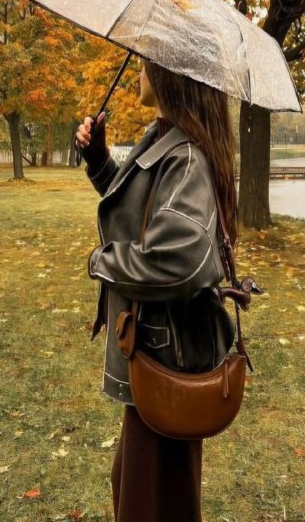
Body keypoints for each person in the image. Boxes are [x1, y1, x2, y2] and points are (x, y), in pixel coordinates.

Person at [75, 56, 238, 522]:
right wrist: (100, 161)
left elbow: (179, 259)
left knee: (151, 500)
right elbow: (143, 213)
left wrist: (101, 261)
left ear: (171, 74)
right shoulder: (163, 138)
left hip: (165, 359)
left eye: (148, 63)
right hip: (152, 351)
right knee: (142, 488)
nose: (140, 71)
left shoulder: (185, 156)